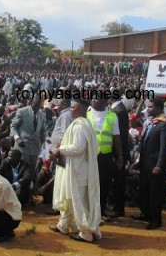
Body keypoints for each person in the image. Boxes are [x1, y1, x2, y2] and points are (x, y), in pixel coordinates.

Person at [49, 97, 102, 243]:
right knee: (70, 199)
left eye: (73, 107)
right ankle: (63, 225)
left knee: (78, 202)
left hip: (78, 171)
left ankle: (86, 233)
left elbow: (78, 148)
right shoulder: (84, 124)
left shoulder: (80, 126)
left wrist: (60, 150)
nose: (71, 110)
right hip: (77, 169)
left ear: (82, 109)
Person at [131, 98, 166, 230]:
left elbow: (164, 148)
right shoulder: (150, 123)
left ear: (159, 108)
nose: (148, 109)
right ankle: (145, 214)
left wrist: (159, 165)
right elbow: (144, 145)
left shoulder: (164, 124)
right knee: (144, 191)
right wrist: (140, 161)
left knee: (155, 193)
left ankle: (155, 219)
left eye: (150, 107)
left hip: (155, 166)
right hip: (145, 164)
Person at [87, 94, 124, 221]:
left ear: (104, 101)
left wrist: (120, 155)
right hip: (89, 156)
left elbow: (117, 137)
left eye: (96, 98)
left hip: (105, 157)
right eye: (93, 98)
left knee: (104, 186)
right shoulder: (86, 114)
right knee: (89, 185)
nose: (93, 99)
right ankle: (88, 213)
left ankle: (100, 213)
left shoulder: (112, 116)